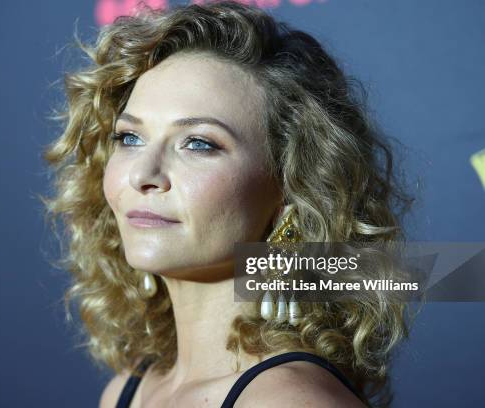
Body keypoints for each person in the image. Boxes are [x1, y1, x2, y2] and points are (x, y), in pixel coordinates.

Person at [42, 1, 416, 407]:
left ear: (292, 189)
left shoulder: (288, 401)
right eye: (130, 138)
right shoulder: (125, 392)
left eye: (199, 143)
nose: (142, 173)